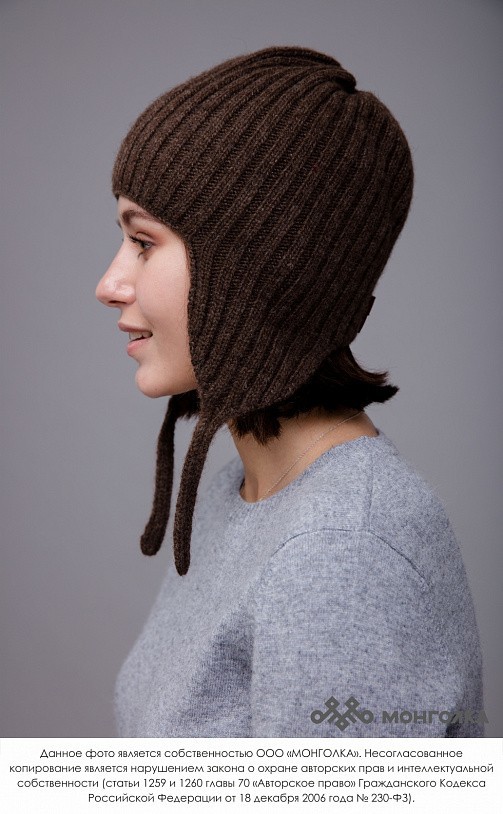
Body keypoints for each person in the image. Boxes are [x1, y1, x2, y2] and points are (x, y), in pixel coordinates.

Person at [95, 45, 483, 738]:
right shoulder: (237, 493)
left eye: (143, 242)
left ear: (260, 273)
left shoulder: (344, 550)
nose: (109, 284)